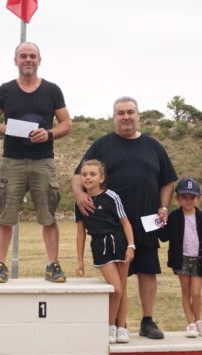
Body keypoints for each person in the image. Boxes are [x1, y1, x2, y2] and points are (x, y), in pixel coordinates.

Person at [73, 96, 177, 340]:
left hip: (147, 219)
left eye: (130, 112)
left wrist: (163, 207)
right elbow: (79, 175)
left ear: (138, 115)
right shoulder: (102, 145)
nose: (126, 117)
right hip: (114, 225)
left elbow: (169, 181)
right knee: (120, 278)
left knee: (148, 271)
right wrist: (79, 195)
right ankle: (118, 325)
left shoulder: (153, 146)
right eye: (121, 113)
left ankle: (147, 321)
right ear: (114, 117)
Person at [0, 42, 72, 283]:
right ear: (15, 61)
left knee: (48, 216)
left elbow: (66, 124)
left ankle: (52, 264)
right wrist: (7, 129)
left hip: (43, 161)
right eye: (23, 56)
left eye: (32, 56)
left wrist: (49, 133)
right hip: (11, 161)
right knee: (5, 216)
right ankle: (0, 265)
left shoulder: (52, 90)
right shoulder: (5, 90)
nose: (28, 60)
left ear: (39, 60)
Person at [75, 160, 135, 344]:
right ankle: (110, 326)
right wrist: (80, 260)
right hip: (100, 246)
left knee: (122, 289)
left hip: (119, 243)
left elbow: (125, 222)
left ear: (101, 178)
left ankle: (121, 327)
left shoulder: (112, 196)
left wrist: (131, 246)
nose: (87, 177)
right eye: (84, 174)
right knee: (115, 289)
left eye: (92, 174)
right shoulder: (80, 202)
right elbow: (80, 233)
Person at [158, 177, 202, 338]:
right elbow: (163, 237)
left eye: (192, 197)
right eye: (184, 197)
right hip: (181, 259)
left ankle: (198, 321)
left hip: (199, 260)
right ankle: (190, 323)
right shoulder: (174, 217)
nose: (188, 200)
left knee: (196, 293)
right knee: (185, 291)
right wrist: (160, 221)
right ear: (178, 198)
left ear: (198, 198)